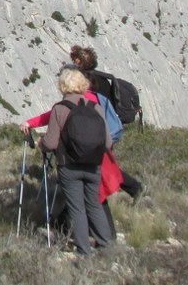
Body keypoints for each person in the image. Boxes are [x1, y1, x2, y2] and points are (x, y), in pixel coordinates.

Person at [39, 67, 113, 255]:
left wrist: (41, 143)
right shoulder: (94, 107)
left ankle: (84, 251)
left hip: (69, 165)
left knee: (76, 208)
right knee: (95, 205)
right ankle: (106, 245)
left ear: (63, 86)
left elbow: (51, 143)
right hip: (93, 165)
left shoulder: (60, 108)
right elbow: (108, 142)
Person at [68, 45, 144, 201]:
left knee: (100, 166)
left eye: (75, 60)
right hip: (104, 128)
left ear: (80, 61)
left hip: (97, 130)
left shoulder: (89, 81)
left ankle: (133, 188)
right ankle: (130, 189)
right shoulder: (101, 79)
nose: (73, 64)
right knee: (102, 166)